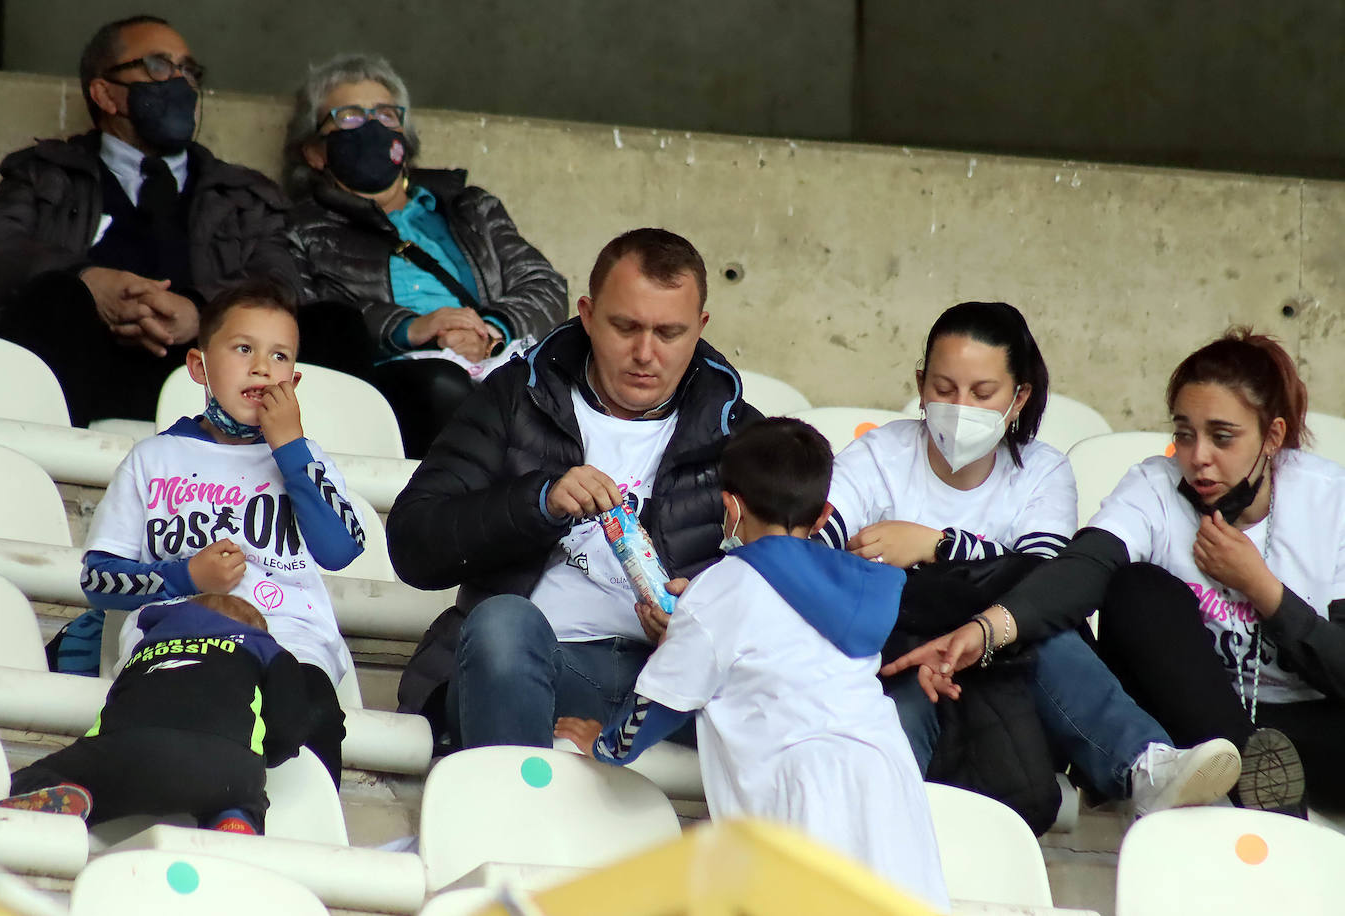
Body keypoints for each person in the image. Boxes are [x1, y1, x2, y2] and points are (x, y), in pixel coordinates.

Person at [825, 302, 1240, 829]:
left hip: (1008, 664)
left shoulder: (1042, 471)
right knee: (882, 768)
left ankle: (1146, 767)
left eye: (982, 394)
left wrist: (939, 546)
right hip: (905, 664)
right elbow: (817, 547)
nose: (959, 407)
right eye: (944, 389)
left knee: (1042, 628)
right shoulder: (877, 456)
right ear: (920, 385)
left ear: (1018, 397)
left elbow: (1045, 576)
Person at [885, 327, 1329, 814]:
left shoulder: (1331, 502)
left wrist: (1262, 589)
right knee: (1131, 588)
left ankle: (1259, 791)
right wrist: (986, 629)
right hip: (1200, 729)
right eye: (1183, 434)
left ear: (1273, 436)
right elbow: (1082, 569)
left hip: (1313, 723)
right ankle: (1250, 780)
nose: (1198, 457)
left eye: (1222, 437)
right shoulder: (1155, 487)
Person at [388, 228, 760, 750]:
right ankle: (519, 818)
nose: (645, 353)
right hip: (532, 662)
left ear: (700, 328)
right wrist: (537, 502)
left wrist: (704, 619)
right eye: (625, 326)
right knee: (502, 624)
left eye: (669, 333)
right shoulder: (517, 395)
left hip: (671, 688)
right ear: (586, 315)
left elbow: (792, 587)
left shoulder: (740, 435)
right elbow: (412, 545)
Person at [556, 418, 950, 911]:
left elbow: (659, 702)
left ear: (729, 506)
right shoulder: (862, 585)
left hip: (802, 782)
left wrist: (605, 745)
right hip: (887, 775)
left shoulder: (724, 587)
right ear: (826, 514)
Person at [76, 280, 364, 785]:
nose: (261, 367)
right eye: (244, 348)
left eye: (279, 356)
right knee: (178, 730)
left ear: (292, 382)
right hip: (179, 639)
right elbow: (98, 581)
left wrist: (290, 448)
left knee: (310, 717)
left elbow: (341, 549)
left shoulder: (306, 456)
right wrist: (187, 575)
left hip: (290, 641)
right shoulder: (154, 457)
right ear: (198, 367)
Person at [0, 15, 297, 426]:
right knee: (56, 296)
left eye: (189, 71)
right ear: (106, 94)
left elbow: (280, 280)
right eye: (160, 66)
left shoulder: (243, 195)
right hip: (77, 374)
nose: (181, 82)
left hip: (197, 380)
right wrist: (87, 280)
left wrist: (202, 313)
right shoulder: (44, 173)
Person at [284, 53, 567, 457]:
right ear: (315, 152)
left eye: (385, 115)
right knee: (441, 381)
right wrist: (413, 328)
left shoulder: (471, 209)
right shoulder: (303, 229)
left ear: (404, 137)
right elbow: (312, 314)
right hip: (393, 380)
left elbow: (545, 285)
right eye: (348, 116)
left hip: (492, 359)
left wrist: (488, 330)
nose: (370, 127)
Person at [0, 593, 309, 834]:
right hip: (224, 762)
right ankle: (232, 821)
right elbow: (289, 727)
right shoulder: (268, 650)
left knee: (38, 777)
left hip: (126, 752)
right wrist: (261, 756)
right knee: (244, 795)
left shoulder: (145, 648)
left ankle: (67, 798)